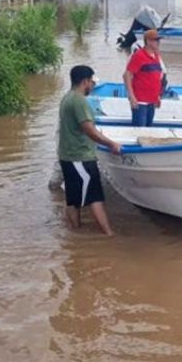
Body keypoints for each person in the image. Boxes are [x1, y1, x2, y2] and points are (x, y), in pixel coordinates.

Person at [59, 65, 122, 236]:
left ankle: (75, 233)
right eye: (92, 83)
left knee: (73, 199)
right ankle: (109, 234)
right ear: (85, 81)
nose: (93, 86)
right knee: (94, 197)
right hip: (81, 156)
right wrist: (112, 144)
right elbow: (90, 130)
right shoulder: (79, 101)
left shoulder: (67, 98)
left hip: (67, 155)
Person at [123, 29, 164, 127]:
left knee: (149, 129)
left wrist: (157, 96)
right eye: (155, 40)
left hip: (152, 100)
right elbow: (127, 75)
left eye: (158, 40)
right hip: (140, 101)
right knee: (140, 129)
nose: (158, 42)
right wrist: (132, 96)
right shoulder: (139, 55)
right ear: (148, 41)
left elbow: (156, 76)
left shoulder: (156, 55)